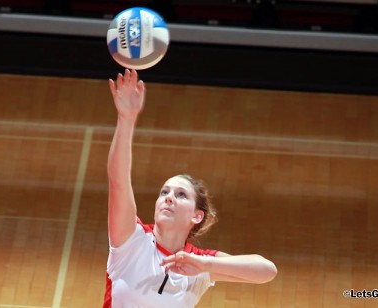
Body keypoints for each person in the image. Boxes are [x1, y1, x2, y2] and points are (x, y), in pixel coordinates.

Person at [104, 69, 277, 308]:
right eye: (164, 192)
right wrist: (126, 118)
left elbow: (267, 271)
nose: (169, 198)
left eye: (181, 194)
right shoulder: (131, 240)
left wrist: (205, 266)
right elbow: (119, 181)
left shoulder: (199, 263)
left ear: (197, 215)